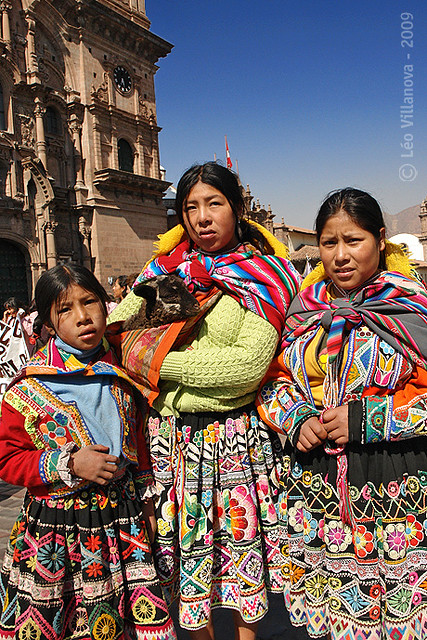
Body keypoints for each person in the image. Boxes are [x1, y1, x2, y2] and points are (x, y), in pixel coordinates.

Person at [108, 161, 301, 640]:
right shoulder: (163, 271)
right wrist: (144, 356)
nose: (202, 217)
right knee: (183, 576)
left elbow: (243, 371)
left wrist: (157, 366)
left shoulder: (262, 275)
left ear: (237, 208)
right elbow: (118, 335)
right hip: (169, 446)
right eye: (190, 207)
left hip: (231, 445)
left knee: (239, 580)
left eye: (214, 203)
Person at [257, 188, 427, 640]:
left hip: (394, 481)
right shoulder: (304, 309)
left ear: (380, 239)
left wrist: (368, 419)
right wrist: (296, 419)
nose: (341, 255)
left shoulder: (410, 305)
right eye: (330, 243)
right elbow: (274, 379)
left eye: (353, 240)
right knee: (332, 615)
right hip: (314, 483)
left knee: (398, 616)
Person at [0, 264, 176, 640]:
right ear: (47, 321)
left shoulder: (126, 366)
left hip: (122, 520)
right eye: (65, 309)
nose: (83, 317)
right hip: (57, 530)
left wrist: (146, 503)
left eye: (90, 301)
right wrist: (68, 463)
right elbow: (7, 460)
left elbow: (140, 443)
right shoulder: (27, 389)